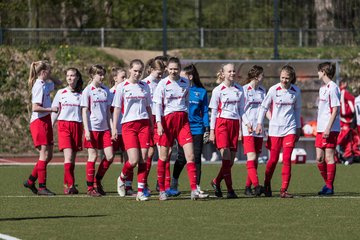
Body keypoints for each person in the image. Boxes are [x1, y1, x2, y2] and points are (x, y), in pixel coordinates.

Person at [153, 57, 206, 200]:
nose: (173, 71)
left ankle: (194, 189)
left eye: (176, 68)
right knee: (164, 156)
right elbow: (157, 105)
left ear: (179, 69)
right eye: (170, 69)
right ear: (167, 69)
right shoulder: (163, 84)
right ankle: (162, 190)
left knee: (191, 156)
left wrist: (186, 114)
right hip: (167, 121)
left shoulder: (185, 82)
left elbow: (187, 101)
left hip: (183, 122)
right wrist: (159, 123)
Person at [255, 65, 302, 198]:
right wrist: (259, 123)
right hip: (275, 129)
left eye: (287, 78)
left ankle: (283, 190)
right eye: (282, 77)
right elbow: (264, 107)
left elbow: (297, 111)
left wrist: (298, 128)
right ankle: (267, 183)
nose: (284, 80)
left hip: (290, 128)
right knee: (273, 160)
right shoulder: (273, 90)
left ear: (292, 78)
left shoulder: (296, 91)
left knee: (287, 158)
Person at [112, 59, 153, 201]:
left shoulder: (145, 86)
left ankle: (141, 191)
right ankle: (121, 178)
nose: (137, 73)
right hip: (128, 125)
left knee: (143, 159)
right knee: (133, 160)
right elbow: (117, 109)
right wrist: (113, 129)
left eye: (139, 71)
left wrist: (152, 125)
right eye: (135, 71)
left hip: (144, 124)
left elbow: (148, 107)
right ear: (130, 70)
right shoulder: (122, 87)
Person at [169, 64, 210, 197]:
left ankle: (196, 187)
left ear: (190, 76)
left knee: (196, 157)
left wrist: (207, 128)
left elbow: (204, 111)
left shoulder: (202, 92)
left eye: (183, 76)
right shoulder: (179, 89)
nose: (180, 78)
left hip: (197, 128)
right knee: (182, 157)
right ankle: (174, 181)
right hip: (182, 127)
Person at [209, 63, 245, 199]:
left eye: (233, 71)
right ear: (223, 74)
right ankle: (230, 190)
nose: (232, 73)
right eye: (229, 71)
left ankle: (216, 181)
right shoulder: (218, 90)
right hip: (222, 123)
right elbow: (213, 112)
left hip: (235, 124)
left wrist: (243, 128)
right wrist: (212, 131)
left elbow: (242, 110)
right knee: (226, 157)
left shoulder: (239, 89)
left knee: (230, 162)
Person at [23, 60, 58, 196]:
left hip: (45, 120)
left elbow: (58, 83)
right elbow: (35, 107)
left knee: (49, 156)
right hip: (39, 121)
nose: (50, 73)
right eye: (48, 71)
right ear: (43, 72)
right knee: (43, 154)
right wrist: (51, 109)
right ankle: (42, 187)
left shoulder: (45, 84)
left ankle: (31, 181)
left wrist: (49, 74)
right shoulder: (38, 86)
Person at [81, 64, 114, 197]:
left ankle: (97, 180)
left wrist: (112, 128)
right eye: (99, 74)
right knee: (93, 156)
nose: (102, 77)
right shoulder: (87, 91)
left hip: (105, 128)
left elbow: (108, 112)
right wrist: (86, 130)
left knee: (110, 156)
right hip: (92, 128)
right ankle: (90, 188)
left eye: (102, 74)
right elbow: (84, 111)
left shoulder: (106, 90)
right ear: (92, 75)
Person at [51, 68, 83, 195]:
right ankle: (70, 185)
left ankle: (68, 183)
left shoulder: (81, 94)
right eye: (68, 76)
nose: (70, 78)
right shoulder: (61, 92)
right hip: (64, 125)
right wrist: (50, 126)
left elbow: (85, 112)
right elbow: (55, 111)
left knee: (73, 159)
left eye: (72, 75)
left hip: (77, 125)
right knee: (68, 157)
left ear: (77, 78)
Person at [315, 62, 341, 195]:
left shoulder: (333, 88)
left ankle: (329, 187)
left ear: (323, 72)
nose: (317, 73)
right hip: (320, 128)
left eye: (319, 71)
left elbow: (335, 109)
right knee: (319, 158)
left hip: (330, 129)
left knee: (329, 157)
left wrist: (328, 128)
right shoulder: (323, 88)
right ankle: (327, 184)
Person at [141, 58, 166, 197]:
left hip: (161, 119)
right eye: (158, 72)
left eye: (162, 72)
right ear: (151, 70)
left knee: (164, 152)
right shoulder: (145, 83)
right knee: (149, 153)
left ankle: (162, 184)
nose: (161, 75)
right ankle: (143, 183)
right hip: (149, 120)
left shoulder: (163, 83)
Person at [241, 65, 267, 197]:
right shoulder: (244, 90)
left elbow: (264, 109)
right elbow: (241, 110)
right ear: (257, 76)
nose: (263, 77)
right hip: (248, 129)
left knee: (255, 158)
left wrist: (261, 123)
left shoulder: (263, 90)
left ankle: (247, 187)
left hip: (258, 128)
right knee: (251, 157)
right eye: (262, 75)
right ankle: (257, 186)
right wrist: (246, 124)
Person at [336, 79, 360, 164]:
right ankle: (344, 155)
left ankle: (349, 156)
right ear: (343, 84)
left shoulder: (338, 92)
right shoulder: (343, 92)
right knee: (343, 138)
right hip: (346, 119)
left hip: (344, 119)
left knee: (349, 138)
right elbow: (352, 101)